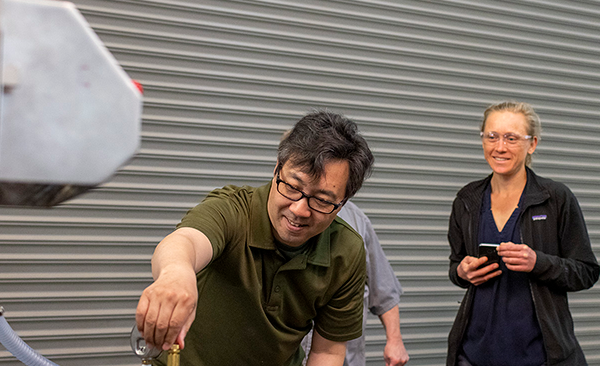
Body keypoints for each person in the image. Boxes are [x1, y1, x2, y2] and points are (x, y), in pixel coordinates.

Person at [135, 110, 375, 366]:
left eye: (322, 201)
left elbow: (327, 352)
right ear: (276, 170)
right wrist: (176, 274)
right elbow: (186, 242)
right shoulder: (234, 210)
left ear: (342, 204)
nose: (299, 210)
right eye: (293, 187)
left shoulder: (346, 251)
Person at [446, 101, 599, 366]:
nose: (500, 147)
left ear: (533, 144)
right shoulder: (467, 200)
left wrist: (538, 263)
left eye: (511, 138)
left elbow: (586, 272)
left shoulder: (555, 199)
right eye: (491, 136)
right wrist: (462, 272)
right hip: (473, 355)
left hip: (540, 356)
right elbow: (456, 264)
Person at [301, 202, 410, 366]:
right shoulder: (289, 214)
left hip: (347, 359)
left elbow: (384, 290)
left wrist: (395, 340)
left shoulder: (357, 220)